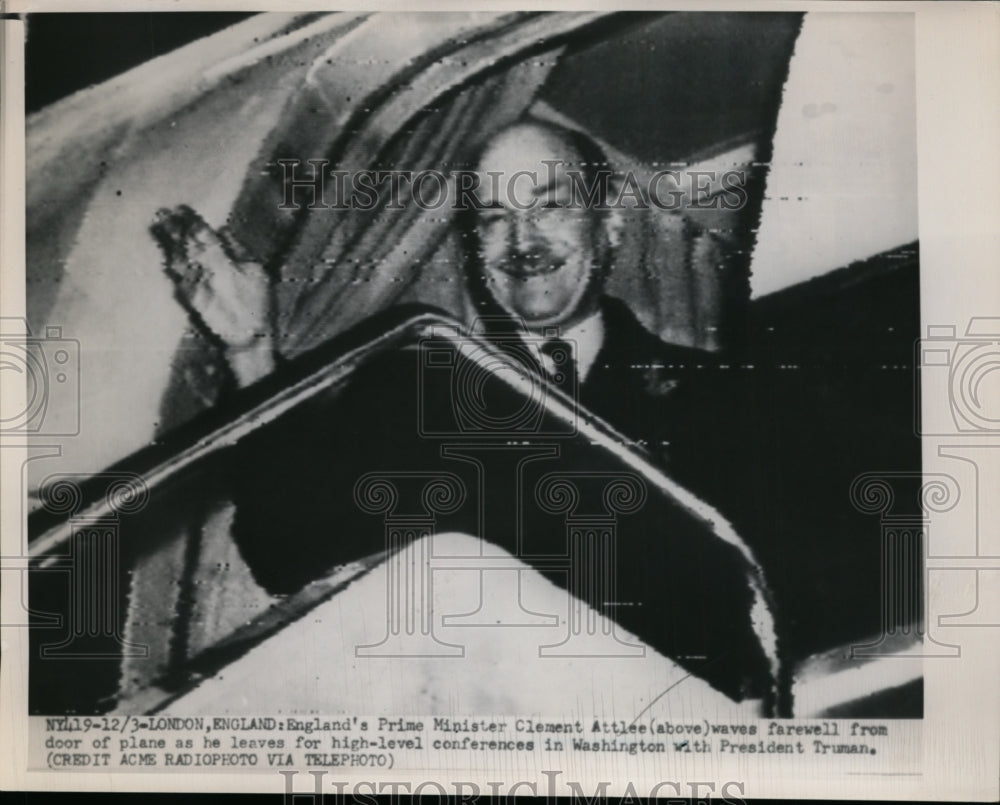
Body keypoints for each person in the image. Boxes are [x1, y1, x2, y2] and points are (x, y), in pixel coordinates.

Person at [151, 117, 783, 711]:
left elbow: (771, 615)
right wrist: (251, 349)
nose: (522, 240)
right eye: (493, 217)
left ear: (610, 223)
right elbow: (288, 551)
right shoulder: (416, 384)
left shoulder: (718, 397)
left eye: (550, 205)